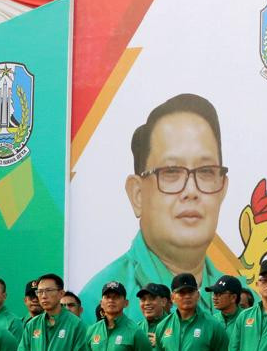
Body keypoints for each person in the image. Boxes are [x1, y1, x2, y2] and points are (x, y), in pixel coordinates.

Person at [82, 94, 230, 310]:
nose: (191, 191)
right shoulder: (97, 303)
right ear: (137, 195)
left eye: (206, 172)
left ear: (222, 189)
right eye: (171, 172)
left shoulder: (247, 303)